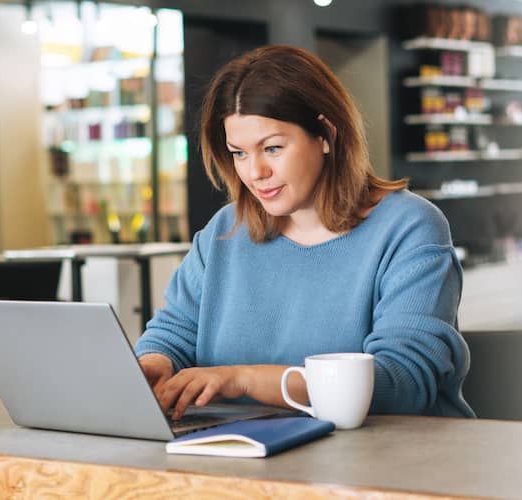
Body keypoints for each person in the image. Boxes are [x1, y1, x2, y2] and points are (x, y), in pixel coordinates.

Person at [134, 45, 473, 421]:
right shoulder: (225, 232)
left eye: (273, 148)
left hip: (385, 460)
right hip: (249, 458)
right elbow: (175, 330)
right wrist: (153, 364)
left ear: (325, 133)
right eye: (239, 153)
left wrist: (246, 380)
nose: (255, 172)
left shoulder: (409, 228)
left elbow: (403, 382)